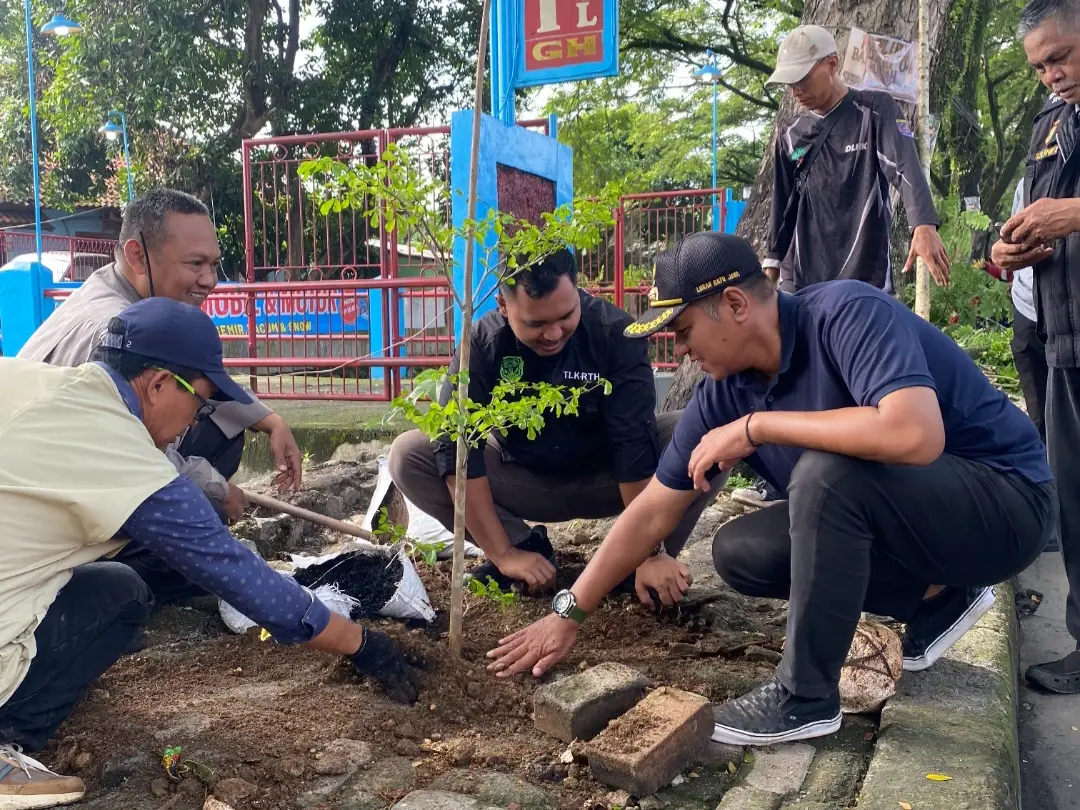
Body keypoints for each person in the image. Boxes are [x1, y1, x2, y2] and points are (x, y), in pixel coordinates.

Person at [487, 232, 1055, 745]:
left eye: (683, 331)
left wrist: (758, 427)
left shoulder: (847, 315)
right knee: (743, 551)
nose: (679, 351)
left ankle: (804, 697)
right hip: (930, 523)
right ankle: (936, 599)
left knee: (826, 474)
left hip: (1007, 505)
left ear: (735, 304)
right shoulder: (725, 390)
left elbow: (915, 433)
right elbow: (653, 509)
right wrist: (568, 613)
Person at [0, 297, 419, 806]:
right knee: (123, 595)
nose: (194, 423)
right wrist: (361, 643)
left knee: (115, 587)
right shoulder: (123, 452)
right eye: (199, 404)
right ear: (158, 384)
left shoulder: (30, 380)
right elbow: (234, 572)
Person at [18, 188, 303, 605]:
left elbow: (196, 376)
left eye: (214, 264)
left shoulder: (119, 294)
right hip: (48, 521)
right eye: (195, 264)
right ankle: (142, 575)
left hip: (74, 470)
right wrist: (215, 489)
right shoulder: (111, 330)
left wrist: (269, 420)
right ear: (138, 255)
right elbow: (133, 455)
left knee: (223, 427)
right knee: (209, 456)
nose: (209, 280)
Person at [390, 250, 720, 601]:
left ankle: (639, 567)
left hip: (607, 480)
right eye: (536, 324)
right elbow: (458, 445)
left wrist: (649, 551)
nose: (553, 334)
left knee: (709, 435)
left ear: (578, 291)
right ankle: (523, 549)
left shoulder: (615, 333)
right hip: (520, 479)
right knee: (410, 455)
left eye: (566, 316)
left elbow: (633, 445)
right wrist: (504, 552)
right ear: (503, 306)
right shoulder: (483, 343)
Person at [991, 0, 1080, 693]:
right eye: (1040, 66)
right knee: (1075, 504)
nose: (1051, 74)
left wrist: (1072, 213)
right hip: (1065, 339)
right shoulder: (1050, 124)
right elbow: (1036, 217)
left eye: (1061, 57)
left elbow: (1064, 213)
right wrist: (1009, 249)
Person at [762, 25, 950, 294]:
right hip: (803, 282)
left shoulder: (875, 111)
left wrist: (923, 224)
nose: (795, 90)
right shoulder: (791, 133)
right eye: (789, 83)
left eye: (802, 78)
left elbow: (904, 165)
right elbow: (783, 204)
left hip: (866, 280)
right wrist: (769, 274)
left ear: (832, 64)